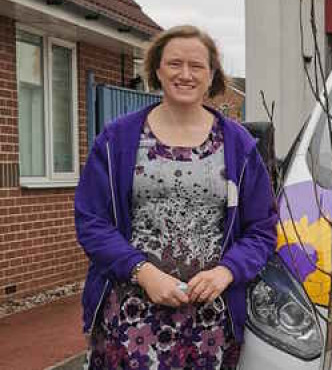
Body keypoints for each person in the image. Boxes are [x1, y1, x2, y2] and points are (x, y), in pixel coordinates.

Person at [75, 25, 277, 369]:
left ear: (211, 74)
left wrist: (227, 271)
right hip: (128, 318)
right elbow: (91, 221)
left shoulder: (239, 145)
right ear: (157, 69)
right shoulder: (117, 139)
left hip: (210, 323)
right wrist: (141, 271)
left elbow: (262, 228)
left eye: (197, 66)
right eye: (174, 64)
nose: (185, 74)